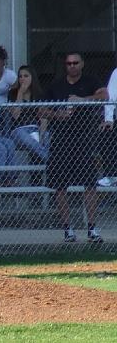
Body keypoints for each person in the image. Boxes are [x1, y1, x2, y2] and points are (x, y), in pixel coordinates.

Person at [40, 52, 106, 242]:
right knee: (60, 186)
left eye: (76, 63)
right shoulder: (56, 86)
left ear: (82, 64)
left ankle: (92, 228)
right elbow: (41, 109)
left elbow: (104, 95)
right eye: (69, 63)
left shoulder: (90, 81)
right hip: (61, 141)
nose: (72, 66)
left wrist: (82, 100)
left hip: (84, 139)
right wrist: (58, 114)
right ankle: (68, 229)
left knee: (90, 184)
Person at [2, 65, 49, 163]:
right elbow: (16, 115)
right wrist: (20, 93)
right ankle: (50, 161)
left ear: (32, 77)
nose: (22, 79)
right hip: (18, 130)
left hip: (35, 129)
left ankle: (42, 169)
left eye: (26, 76)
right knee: (26, 138)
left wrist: (41, 135)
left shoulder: (39, 94)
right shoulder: (13, 93)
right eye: (20, 76)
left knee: (47, 136)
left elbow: (43, 118)